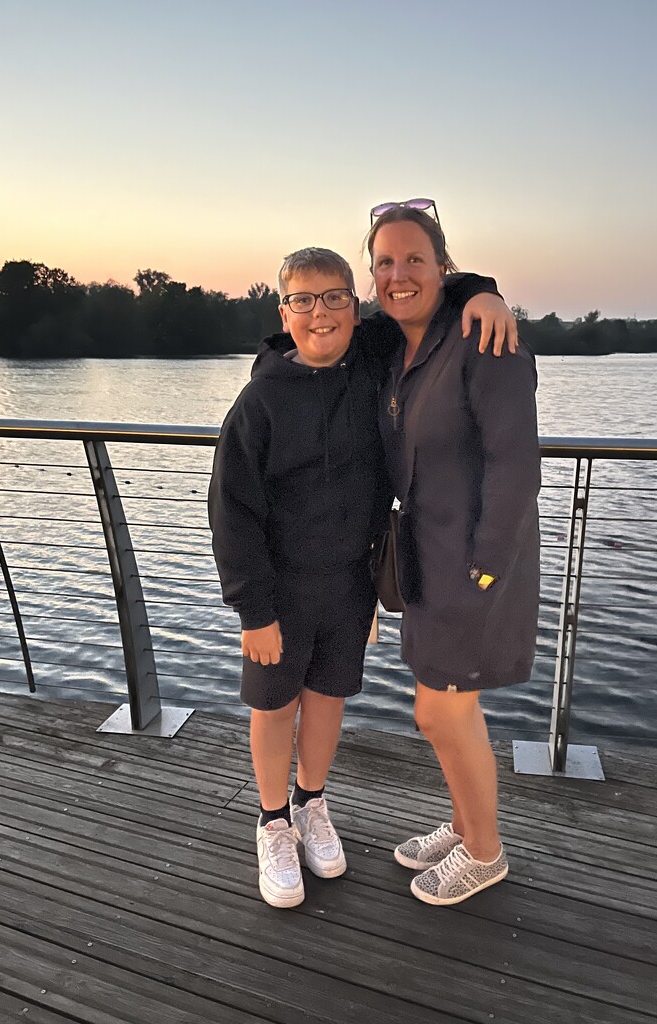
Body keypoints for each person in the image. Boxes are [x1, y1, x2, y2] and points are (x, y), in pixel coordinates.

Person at [208, 244, 516, 908]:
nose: (321, 314)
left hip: (349, 584)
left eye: (335, 298)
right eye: (303, 300)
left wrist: (484, 291)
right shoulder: (258, 405)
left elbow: (431, 293)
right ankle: (271, 821)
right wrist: (252, 610)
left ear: (356, 305)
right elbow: (232, 516)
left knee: (327, 698)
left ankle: (312, 804)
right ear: (282, 310)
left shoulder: (373, 356)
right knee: (273, 705)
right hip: (279, 591)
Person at [366, 199, 541, 906]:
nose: (399, 273)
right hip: (423, 558)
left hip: (475, 559)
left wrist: (488, 567)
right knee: (439, 710)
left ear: (443, 265)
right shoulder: (391, 346)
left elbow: (515, 467)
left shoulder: (483, 340)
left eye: (415, 258)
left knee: (443, 712)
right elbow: (303, 331)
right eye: (384, 261)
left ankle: (485, 852)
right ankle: (469, 823)